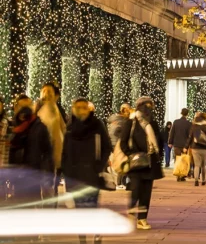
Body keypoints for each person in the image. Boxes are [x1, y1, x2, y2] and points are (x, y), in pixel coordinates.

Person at [62, 97, 112, 226]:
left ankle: (94, 232)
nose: (81, 111)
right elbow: (65, 153)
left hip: (91, 174)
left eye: (84, 108)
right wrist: (66, 172)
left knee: (91, 206)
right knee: (79, 210)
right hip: (75, 175)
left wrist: (99, 166)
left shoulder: (97, 125)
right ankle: (83, 237)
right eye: (77, 108)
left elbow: (106, 147)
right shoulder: (70, 127)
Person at [120, 97, 163, 230]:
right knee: (135, 189)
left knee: (146, 192)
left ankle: (142, 219)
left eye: (150, 107)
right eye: (146, 106)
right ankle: (132, 211)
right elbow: (123, 141)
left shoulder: (153, 123)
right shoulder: (131, 122)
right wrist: (131, 154)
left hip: (149, 162)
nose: (148, 110)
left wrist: (157, 154)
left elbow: (159, 141)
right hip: (136, 162)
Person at [8, 102, 53, 205]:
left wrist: (46, 173)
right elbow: (12, 151)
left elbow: (47, 151)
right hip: (18, 174)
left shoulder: (40, 127)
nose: (22, 115)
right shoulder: (15, 127)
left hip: (34, 172)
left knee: (32, 202)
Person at [36, 82, 66, 202]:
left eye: (49, 91)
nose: (46, 93)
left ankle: (49, 213)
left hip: (53, 154)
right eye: (44, 91)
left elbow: (64, 130)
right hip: (38, 154)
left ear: (56, 95)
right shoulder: (36, 108)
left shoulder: (58, 110)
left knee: (50, 187)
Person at [187, 112, 206, 187]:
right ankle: (203, 180)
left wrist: (186, 147)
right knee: (203, 165)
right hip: (204, 148)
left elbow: (190, 137)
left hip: (195, 147)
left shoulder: (194, 126)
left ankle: (196, 180)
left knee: (196, 165)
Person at [168, 108, 192, 182]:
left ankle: (178, 174)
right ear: (187, 114)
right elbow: (190, 136)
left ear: (181, 113)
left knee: (177, 159)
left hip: (177, 144)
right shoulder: (189, 123)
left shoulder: (176, 122)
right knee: (184, 160)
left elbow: (172, 133)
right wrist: (188, 145)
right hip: (185, 145)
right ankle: (182, 175)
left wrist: (170, 142)